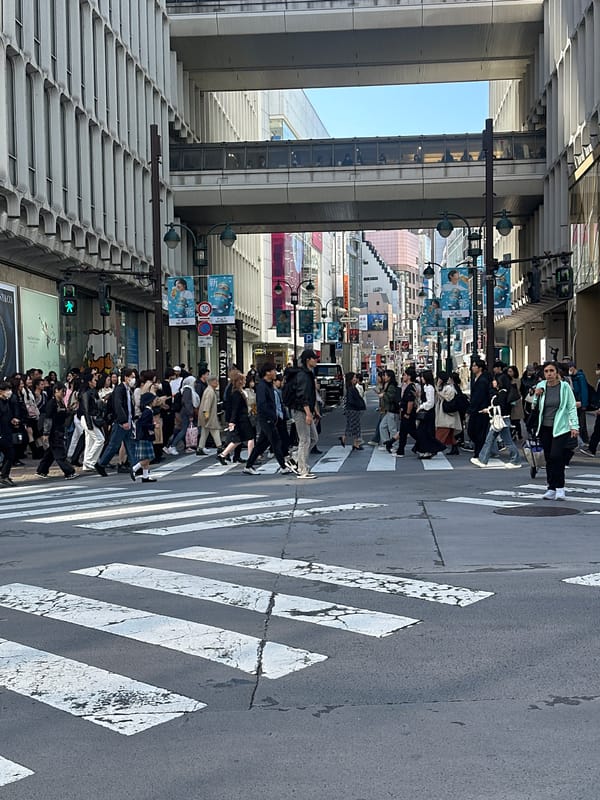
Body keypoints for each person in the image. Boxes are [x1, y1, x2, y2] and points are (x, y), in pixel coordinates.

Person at [531, 361, 579, 500]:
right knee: (548, 458)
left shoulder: (564, 387)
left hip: (561, 428)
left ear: (557, 373)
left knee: (556, 456)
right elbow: (535, 407)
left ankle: (560, 488)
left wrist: (574, 426)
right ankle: (551, 487)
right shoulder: (541, 386)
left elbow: (571, 407)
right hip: (545, 427)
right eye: (546, 371)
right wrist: (536, 395)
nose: (549, 374)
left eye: (551, 371)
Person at [242, 362, 295, 476]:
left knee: (262, 444)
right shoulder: (262, 386)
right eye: (273, 371)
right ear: (267, 372)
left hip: (271, 418)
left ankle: (248, 466)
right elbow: (262, 404)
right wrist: (272, 416)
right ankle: (283, 466)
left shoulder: (269, 384)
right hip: (267, 419)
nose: (275, 373)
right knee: (275, 442)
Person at [470, 366, 522, 469]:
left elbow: (500, 408)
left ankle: (484, 459)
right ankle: (483, 459)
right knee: (497, 440)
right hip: (500, 419)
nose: (493, 382)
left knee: (500, 441)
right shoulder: (502, 392)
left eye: (495, 380)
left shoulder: (502, 393)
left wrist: (488, 410)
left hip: (500, 419)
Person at [94, 368, 139, 477]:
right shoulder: (120, 389)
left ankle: (136, 467)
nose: (134, 379)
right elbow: (118, 406)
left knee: (130, 445)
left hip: (127, 421)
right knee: (114, 445)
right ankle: (101, 464)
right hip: (121, 423)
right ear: (126, 378)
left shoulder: (127, 389)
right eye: (132, 377)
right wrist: (123, 420)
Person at [289, 349, 320, 479]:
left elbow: (311, 395)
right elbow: (302, 396)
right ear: (308, 360)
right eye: (314, 358)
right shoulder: (303, 375)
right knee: (305, 440)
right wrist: (308, 413)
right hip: (301, 411)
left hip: (307, 410)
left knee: (314, 438)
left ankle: (296, 458)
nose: (316, 360)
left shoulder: (308, 373)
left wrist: (315, 411)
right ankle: (302, 469)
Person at [36, 382, 77, 479]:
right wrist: (46, 433)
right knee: (59, 452)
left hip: (59, 429)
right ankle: (69, 471)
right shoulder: (52, 403)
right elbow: (48, 418)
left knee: (50, 453)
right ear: (56, 391)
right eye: (62, 391)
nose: (64, 393)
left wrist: (70, 411)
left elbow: (62, 415)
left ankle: (42, 470)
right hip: (54, 431)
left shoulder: (61, 402)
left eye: (65, 391)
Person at [217, 372, 255, 465]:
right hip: (242, 419)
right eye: (243, 380)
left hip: (240, 419)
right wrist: (232, 421)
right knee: (250, 437)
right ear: (239, 381)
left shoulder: (237, 392)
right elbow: (235, 408)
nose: (245, 381)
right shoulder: (237, 393)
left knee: (238, 440)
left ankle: (223, 455)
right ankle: (251, 458)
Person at [413, 370, 446, 459]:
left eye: (423, 377)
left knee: (425, 432)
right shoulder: (427, 387)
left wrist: (421, 406)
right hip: (427, 412)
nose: (421, 379)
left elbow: (430, 403)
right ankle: (426, 450)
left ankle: (430, 449)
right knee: (424, 432)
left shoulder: (429, 388)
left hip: (428, 413)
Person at [385, 367, 417, 457]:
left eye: (405, 375)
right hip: (405, 413)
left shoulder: (410, 387)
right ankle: (400, 450)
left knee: (412, 432)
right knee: (403, 432)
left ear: (409, 376)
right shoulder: (409, 386)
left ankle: (425, 444)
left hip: (408, 414)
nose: (403, 376)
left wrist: (407, 413)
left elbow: (410, 402)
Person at [163, 375, 199, 456]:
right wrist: (190, 414)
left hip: (184, 412)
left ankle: (170, 445)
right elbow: (187, 402)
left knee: (180, 429)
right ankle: (172, 446)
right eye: (194, 382)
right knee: (183, 430)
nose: (195, 384)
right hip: (186, 412)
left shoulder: (186, 389)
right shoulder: (188, 389)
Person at [77, 371, 105, 472]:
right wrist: (89, 424)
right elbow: (86, 410)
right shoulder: (86, 393)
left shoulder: (92, 392)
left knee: (89, 441)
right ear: (89, 382)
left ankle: (87, 464)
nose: (96, 381)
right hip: (88, 419)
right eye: (94, 380)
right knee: (100, 439)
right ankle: (89, 461)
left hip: (90, 418)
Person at [467, 358, 492, 458]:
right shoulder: (475, 379)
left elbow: (479, 397)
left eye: (474, 366)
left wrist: (471, 409)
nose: (472, 368)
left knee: (479, 432)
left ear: (480, 368)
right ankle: (479, 451)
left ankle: (479, 452)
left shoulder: (483, 380)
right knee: (472, 431)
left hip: (481, 409)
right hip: (475, 409)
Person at [130, 392, 158, 483]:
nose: (155, 401)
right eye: (154, 400)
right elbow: (144, 424)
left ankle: (145, 476)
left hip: (143, 436)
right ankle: (134, 468)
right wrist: (153, 426)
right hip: (144, 436)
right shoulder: (148, 411)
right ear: (150, 401)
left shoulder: (147, 411)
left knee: (147, 457)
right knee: (148, 458)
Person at [0, 381, 21, 486]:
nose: (9, 392)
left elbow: (7, 416)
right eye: (6, 390)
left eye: (10, 389)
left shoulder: (6, 402)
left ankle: (4, 475)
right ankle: (4, 475)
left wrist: (12, 420)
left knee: (10, 454)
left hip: (7, 431)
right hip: (1, 433)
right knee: (9, 453)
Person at [339, 371, 366, 451]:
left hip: (351, 409)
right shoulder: (351, 389)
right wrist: (359, 404)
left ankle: (354, 443)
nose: (355, 379)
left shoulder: (351, 388)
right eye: (354, 377)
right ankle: (352, 441)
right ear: (350, 379)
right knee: (354, 426)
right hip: (352, 410)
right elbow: (351, 400)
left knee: (352, 425)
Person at [196, 376, 222, 455]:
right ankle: (220, 447)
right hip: (209, 416)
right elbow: (207, 405)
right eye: (216, 382)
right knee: (215, 430)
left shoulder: (209, 390)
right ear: (211, 382)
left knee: (205, 432)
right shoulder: (210, 391)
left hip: (207, 415)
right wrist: (206, 415)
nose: (217, 383)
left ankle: (200, 448)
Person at [378, 370, 399, 447]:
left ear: (389, 377)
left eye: (386, 376)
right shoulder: (387, 385)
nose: (384, 377)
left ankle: (395, 445)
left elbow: (390, 398)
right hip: (389, 410)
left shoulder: (391, 386)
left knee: (392, 429)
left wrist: (383, 395)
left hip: (392, 410)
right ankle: (386, 443)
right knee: (382, 426)